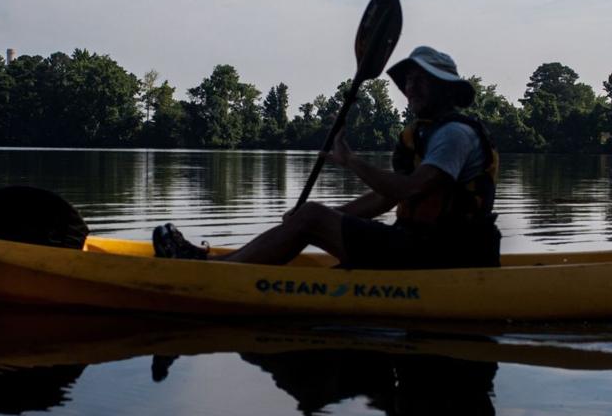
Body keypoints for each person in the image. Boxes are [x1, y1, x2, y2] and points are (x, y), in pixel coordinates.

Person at [154, 45, 500, 269]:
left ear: (446, 88)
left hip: (445, 255)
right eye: (409, 80)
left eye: (422, 80)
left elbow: (409, 190)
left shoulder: (454, 134)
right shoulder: (425, 133)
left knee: (311, 218)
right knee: (310, 217)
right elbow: (383, 198)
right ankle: (219, 263)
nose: (411, 87)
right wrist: (317, 217)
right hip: (422, 247)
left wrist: (351, 163)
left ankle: (213, 271)